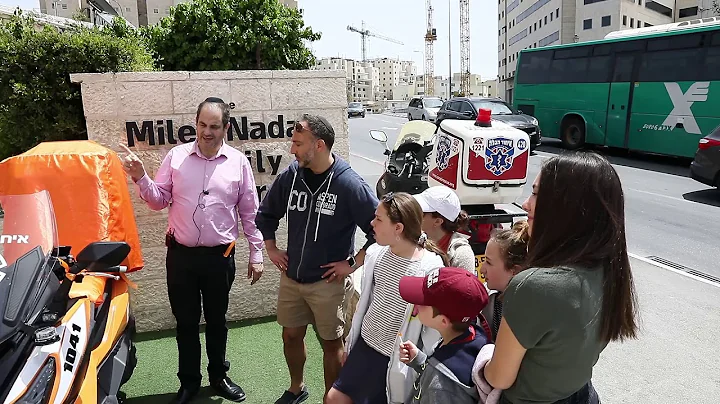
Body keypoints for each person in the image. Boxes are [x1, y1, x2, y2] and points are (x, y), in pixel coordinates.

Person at [120, 97, 263, 403]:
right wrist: (140, 177)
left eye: (214, 126)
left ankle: (219, 376)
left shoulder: (238, 162)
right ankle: (189, 383)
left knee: (217, 321)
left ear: (226, 127)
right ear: (195, 123)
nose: (206, 132)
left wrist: (257, 252)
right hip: (181, 257)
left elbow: (250, 212)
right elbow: (158, 200)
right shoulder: (176, 157)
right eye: (202, 124)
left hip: (219, 258)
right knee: (185, 323)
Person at [483, 152, 639, 404]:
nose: (525, 204)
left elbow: (498, 378)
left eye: (535, 194)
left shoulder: (532, 286)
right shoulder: (610, 271)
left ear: (565, 207)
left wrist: (481, 359)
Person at [254, 114, 378, 404]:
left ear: (319, 145)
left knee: (331, 345)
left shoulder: (349, 183)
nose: (292, 150)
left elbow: (378, 229)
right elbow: (267, 214)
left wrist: (352, 263)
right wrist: (271, 249)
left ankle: (330, 399)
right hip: (293, 278)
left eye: (298, 144)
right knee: (291, 336)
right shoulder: (292, 174)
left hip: (328, 283)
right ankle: (297, 387)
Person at [326, 192, 447, 404]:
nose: (372, 223)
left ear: (398, 228)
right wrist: (352, 343)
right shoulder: (375, 253)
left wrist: (420, 358)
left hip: (392, 359)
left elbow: (432, 326)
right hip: (365, 347)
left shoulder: (429, 267)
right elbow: (367, 303)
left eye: (379, 219)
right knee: (335, 398)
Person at [398, 266, 491, 404]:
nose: (416, 304)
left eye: (423, 301)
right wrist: (421, 361)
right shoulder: (472, 334)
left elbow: (443, 381)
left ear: (443, 321)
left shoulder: (440, 387)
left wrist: (433, 371)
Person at [479, 221, 530, 342]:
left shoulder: (527, 310)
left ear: (514, 270)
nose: (482, 270)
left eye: (489, 262)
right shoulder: (488, 298)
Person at [414, 186, 475, 274]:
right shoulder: (412, 240)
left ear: (438, 221)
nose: (413, 214)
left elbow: (464, 287)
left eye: (420, 212)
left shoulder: (461, 254)